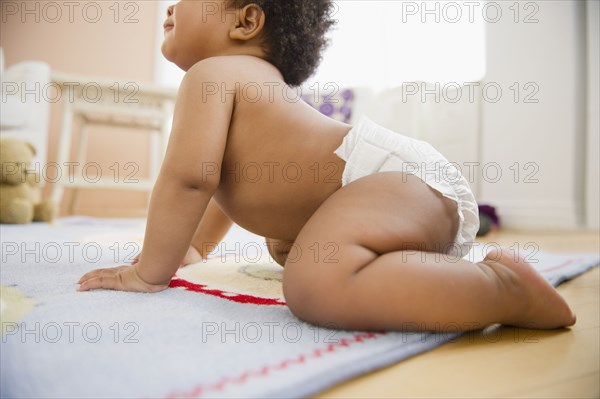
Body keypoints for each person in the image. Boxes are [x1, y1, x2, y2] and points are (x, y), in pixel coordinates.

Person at [78, 0, 576, 332]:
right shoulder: (249, 81)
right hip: (405, 190)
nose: (170, 5)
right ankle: (431, 272)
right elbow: (222, 184)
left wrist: (151, 271)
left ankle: (499, 288)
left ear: (245, 22)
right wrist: (191, 248)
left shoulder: (212, 75)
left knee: (313, 286)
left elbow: (190, 178)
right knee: (289, 248)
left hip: (393, 182)